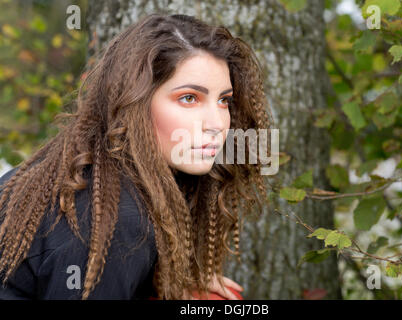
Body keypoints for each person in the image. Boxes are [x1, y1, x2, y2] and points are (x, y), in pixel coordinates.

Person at [0, 12, 272, 300]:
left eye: (224, 100)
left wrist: (168, 282)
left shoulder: (94, 169)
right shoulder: (114, 217)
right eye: (189, 98)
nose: (217, 124)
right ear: (134, 103)